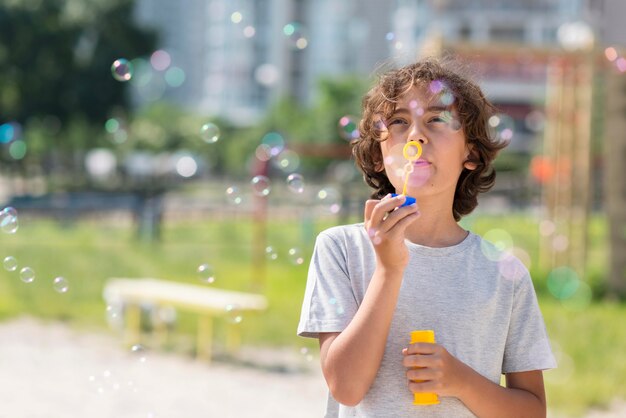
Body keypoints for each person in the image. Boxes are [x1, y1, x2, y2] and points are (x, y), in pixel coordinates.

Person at [297, 57, 556, 417]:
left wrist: (461, 381)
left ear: (472, 152)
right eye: (399, 121)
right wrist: (388, 270)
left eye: (436, 119)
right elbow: (346, 387)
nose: (416, 135)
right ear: (377, 154)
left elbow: (532, 411)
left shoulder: (503, 275)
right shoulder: (341, 248)